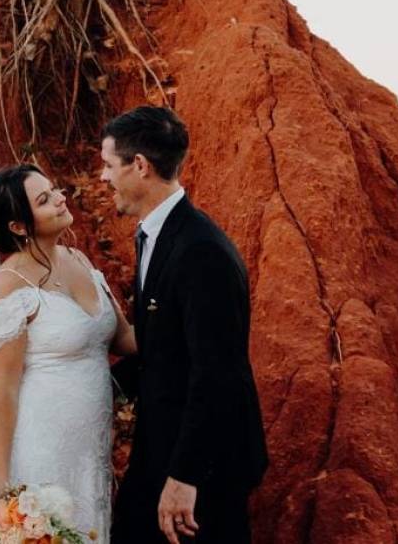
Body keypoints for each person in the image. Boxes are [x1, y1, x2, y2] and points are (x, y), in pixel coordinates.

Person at [0, 164, 136, 543]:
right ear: (19, 227)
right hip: (38, 447)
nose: (60, 198)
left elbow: (125, 339)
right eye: (44, 199)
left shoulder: (79, 260)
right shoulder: (9, 287)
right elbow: (1, 391)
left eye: (54, 190)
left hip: (88, 449)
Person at [103, 106, 268, 544]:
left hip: (202, 466)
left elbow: (219, 373)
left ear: (139, 166)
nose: (104, 178)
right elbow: (165, 349)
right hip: (163, 446)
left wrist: (184, 477)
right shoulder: (157, 236)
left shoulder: (200, 251)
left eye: (108, 165)